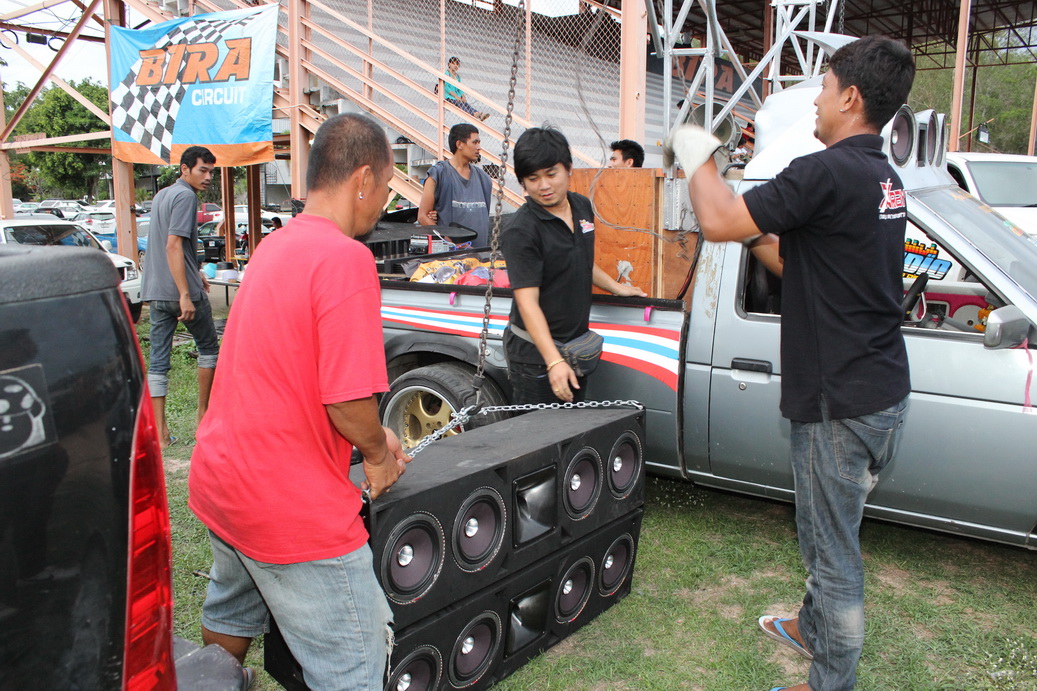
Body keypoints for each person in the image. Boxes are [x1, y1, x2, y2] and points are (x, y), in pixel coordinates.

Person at [666, 36, 914, 690]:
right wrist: (752, 223)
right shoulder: (882, 177)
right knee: (827, 528)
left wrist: (696, 153)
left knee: (832, 553)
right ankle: (811, 625)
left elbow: (717, 219)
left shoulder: (823, 171)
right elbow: (793, 259)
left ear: (850, 97)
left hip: (839, 403)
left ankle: (829, 680)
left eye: (823, 88)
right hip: (880, 390)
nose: (816, 102)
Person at [188, 113, 412, 689]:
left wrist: (376, 435)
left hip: (224, 478)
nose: (384, 203)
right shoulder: (346, 258)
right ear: (364, 179)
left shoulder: (276, 244)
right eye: (387, 187)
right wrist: (378, 453)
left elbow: (288, 370)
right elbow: (347, 401)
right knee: (354, 666)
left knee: (231, 609)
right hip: (286, 504)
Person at [502, 126, 647, 405]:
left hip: (576, 349)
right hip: (536, 358)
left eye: (551, 174)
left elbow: (581, 260)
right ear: (523, 183)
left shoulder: (581, 206)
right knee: (539, 430)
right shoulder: (521, 230)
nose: (544, 186)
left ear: (568, 169)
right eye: (533, 179)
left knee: (575, 428)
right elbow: (527, 303)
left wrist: (617, 287)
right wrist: (554, 361)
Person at [141, 145, 220, 449]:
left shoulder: (162, 195)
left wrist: (196, 270)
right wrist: (186, 293)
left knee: (158, 360)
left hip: (156, 291)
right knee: (209, 348)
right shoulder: (187, 197)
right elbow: (172, 245)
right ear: (185, 169)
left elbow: (177, 247)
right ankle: (203, 417)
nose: (208, 177)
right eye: (203, 170)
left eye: (211, 171)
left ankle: (160, 434)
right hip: (181, 292)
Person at [418, 123, 494, 245]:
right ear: (459, 144)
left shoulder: (484, 179)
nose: (479, 147)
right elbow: (423, 216)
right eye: (475, 142)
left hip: (479, 254)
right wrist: (451, 243)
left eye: (479, 143)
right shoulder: (438, 174)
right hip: (451, 255)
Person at [443, 56, 490, 121]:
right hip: (449, 97)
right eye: (453, 63)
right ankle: (474, 114)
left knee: (466, 104)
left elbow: (459, 88)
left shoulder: (457, 77)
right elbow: (446, 87)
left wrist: (463, 96)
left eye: (457, 64)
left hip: (458, 98)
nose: (455, 66)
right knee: (461, 105)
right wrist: (455, 96)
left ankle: (478, 114)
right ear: (449, 64)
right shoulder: (447, 73)